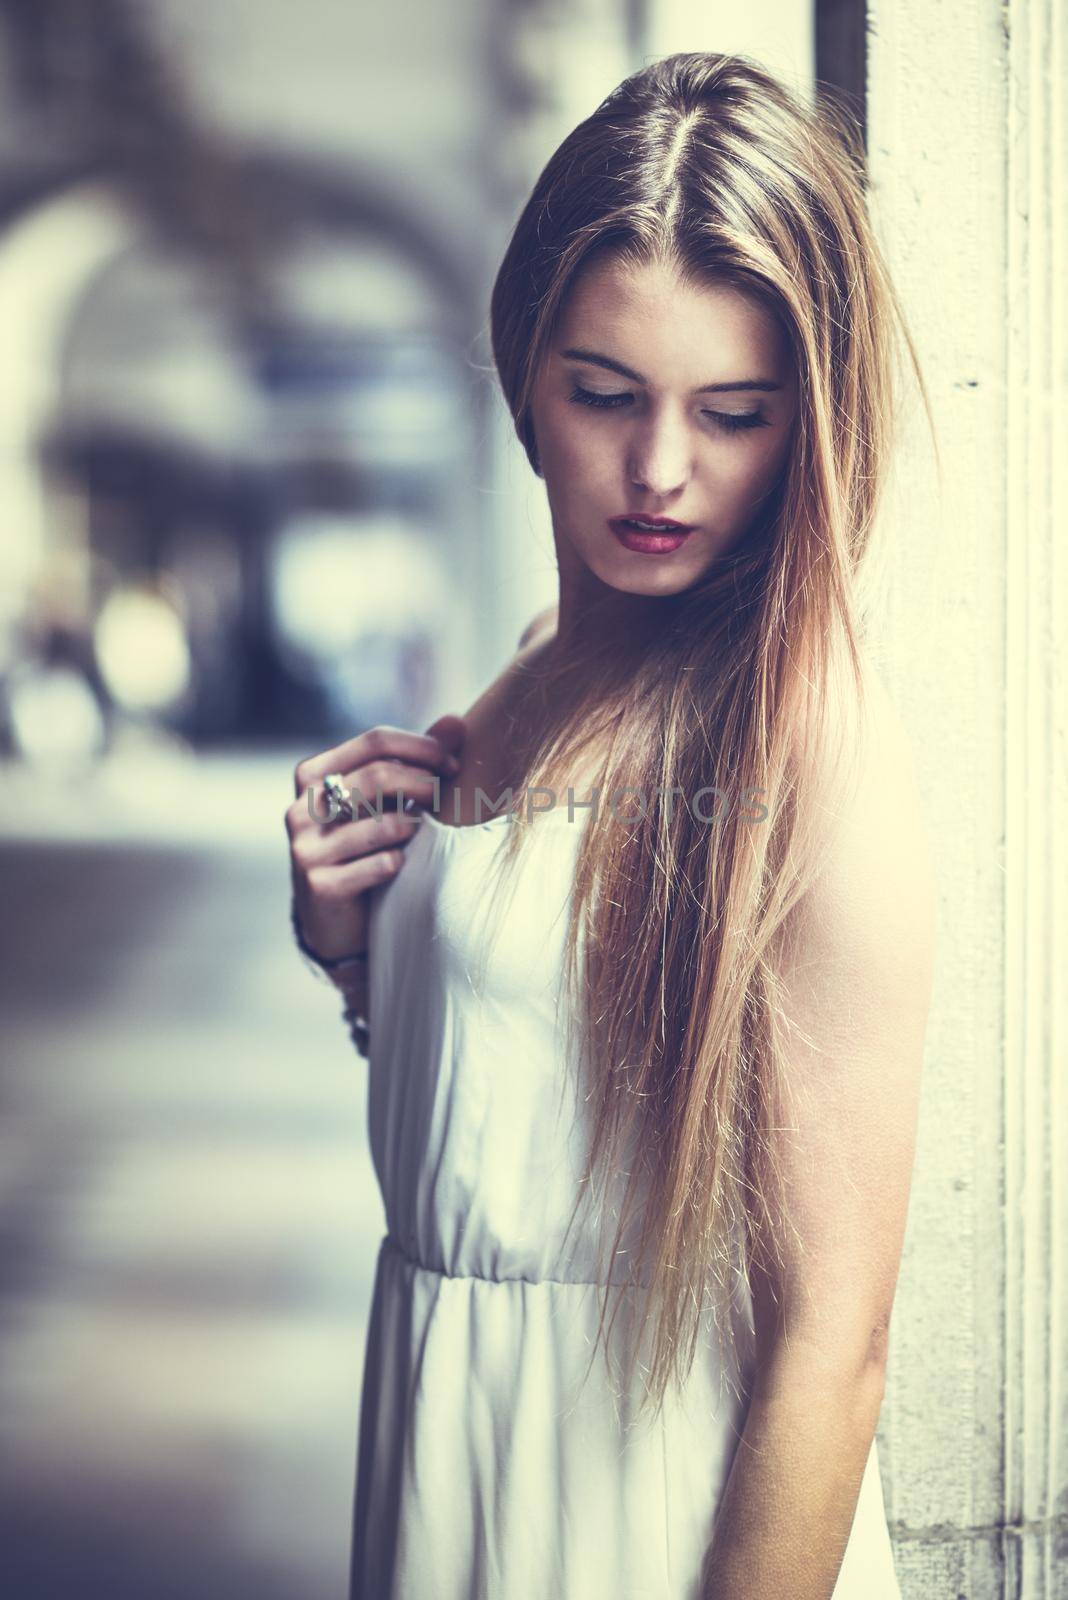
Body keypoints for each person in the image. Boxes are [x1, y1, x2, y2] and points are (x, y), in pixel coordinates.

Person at [285, 50, 937, 1600]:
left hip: (657, 1504)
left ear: (812, 419)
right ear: (522, 370)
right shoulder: (530, 666)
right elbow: (525, 1117)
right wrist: (353, 951)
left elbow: (831, 1351)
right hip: (456, 1447)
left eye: (732, 411)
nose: (660, 470)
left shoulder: (801, 740)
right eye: (604, 395)